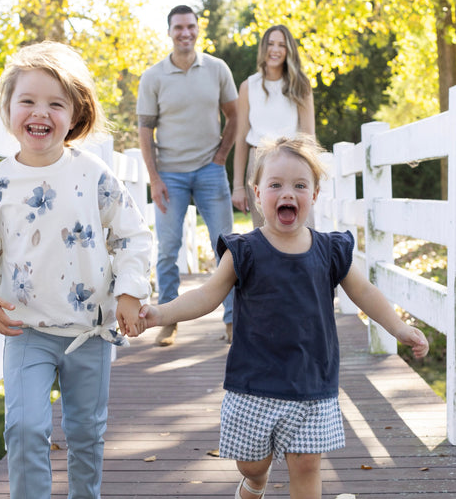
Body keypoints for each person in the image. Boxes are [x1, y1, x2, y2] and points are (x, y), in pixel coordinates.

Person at [129, 136, 429, 499]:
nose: (288, 193)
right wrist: (160, 313)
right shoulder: (244, 251)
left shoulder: (330, 250)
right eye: (276, 185)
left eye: (300, 185)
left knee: (307, 465)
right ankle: (255, 482)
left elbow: (364, 292)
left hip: (311, 381)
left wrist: (397, 326)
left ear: (315, 195)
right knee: (251, 463)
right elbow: (207, 296)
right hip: (254, 382)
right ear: (257, 194)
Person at [0, 41, 152, 499]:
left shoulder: (94, 174)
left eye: (55, 103)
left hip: (89, 331)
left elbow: (132, 235)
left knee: (85, 434)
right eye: (28, 100)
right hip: (27, 330)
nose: (40, 113)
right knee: (23, 429)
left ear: (76, 114)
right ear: (8, 108)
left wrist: (129, 291)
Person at [137, 4, 238, 346]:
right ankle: (168, 319)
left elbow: (235, 116)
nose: (185, 33)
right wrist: (154, 177)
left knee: (226, 247)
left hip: (210, 171)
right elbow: (144, 131)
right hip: (170, 175)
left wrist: (221, 157)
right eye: (178, 27)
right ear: (169, 32)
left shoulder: (217, 69)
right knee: (168, 248)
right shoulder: (153, 77)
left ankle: (233, 321)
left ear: (198, 29)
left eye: (190, 26)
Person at [232, 24, 315, 228]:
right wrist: (238, 187)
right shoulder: (248, 86)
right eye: (270, 44)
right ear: (263, 48)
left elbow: (308, 135)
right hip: (259, 163)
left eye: (281, 45)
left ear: (289, 50)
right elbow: (241, 138)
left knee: (303, 230)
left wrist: (313, 179)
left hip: (294, 161)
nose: (275, 50)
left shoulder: (300, 85)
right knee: (264, 233)